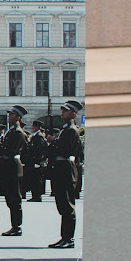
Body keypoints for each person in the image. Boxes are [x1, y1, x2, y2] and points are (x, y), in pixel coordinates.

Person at [46, 100, 84, 249]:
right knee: (62, 205)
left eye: (66, 110)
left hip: (66, 169)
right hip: (61, 168)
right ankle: (64, 237)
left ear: (73, 114)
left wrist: (53, 142)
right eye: (62, 110)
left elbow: (65, 150)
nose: (62, 112)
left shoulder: (71, 130)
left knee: (67, 206)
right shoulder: (66, 129)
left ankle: (69, 239)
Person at [0, 105, 28, 236]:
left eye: (12, 115)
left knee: (15, 198)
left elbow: (11, 150)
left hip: (14, 166)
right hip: (8, 166)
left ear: (18, 118)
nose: (9, 116)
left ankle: (17, 226)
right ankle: (14, 225)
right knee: (10, 197)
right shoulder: (11, 131)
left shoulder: (18, 132)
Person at [24, 120, 48, 202]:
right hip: (33, 161)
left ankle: (37, 196)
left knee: (37, 180)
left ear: (37, 127)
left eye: (33, 126)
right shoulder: (35, 136)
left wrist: (38, 161)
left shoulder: (39, 136)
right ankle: (34, 195)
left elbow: (40, 150)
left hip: (37, 162)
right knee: (33, 179)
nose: (32, 128)